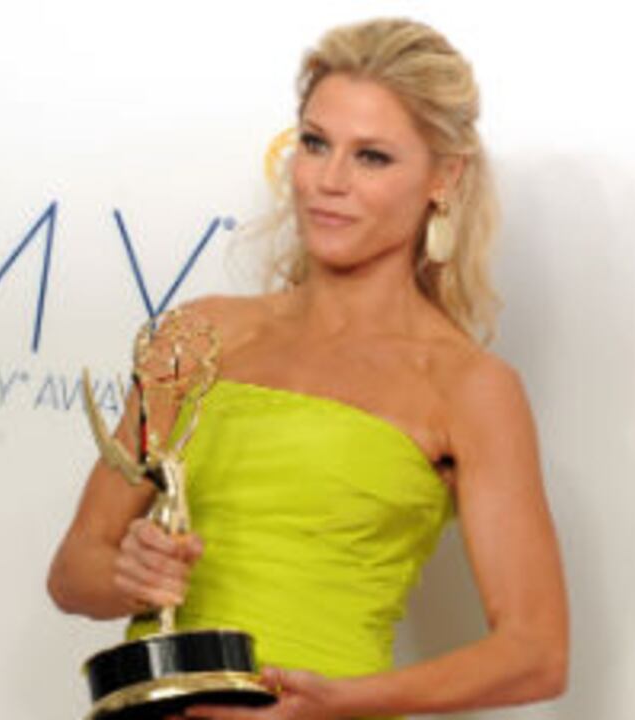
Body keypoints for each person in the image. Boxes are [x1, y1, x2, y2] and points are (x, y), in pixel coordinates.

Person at [47, 17, 568, 720]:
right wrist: (127, 575)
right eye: (316, 143)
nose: (329, 181)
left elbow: (536, 652)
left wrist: (343, 701)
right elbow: (72, 571)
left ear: (444, 177)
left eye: (372, 157)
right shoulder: (199, 335)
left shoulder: (469, 387)